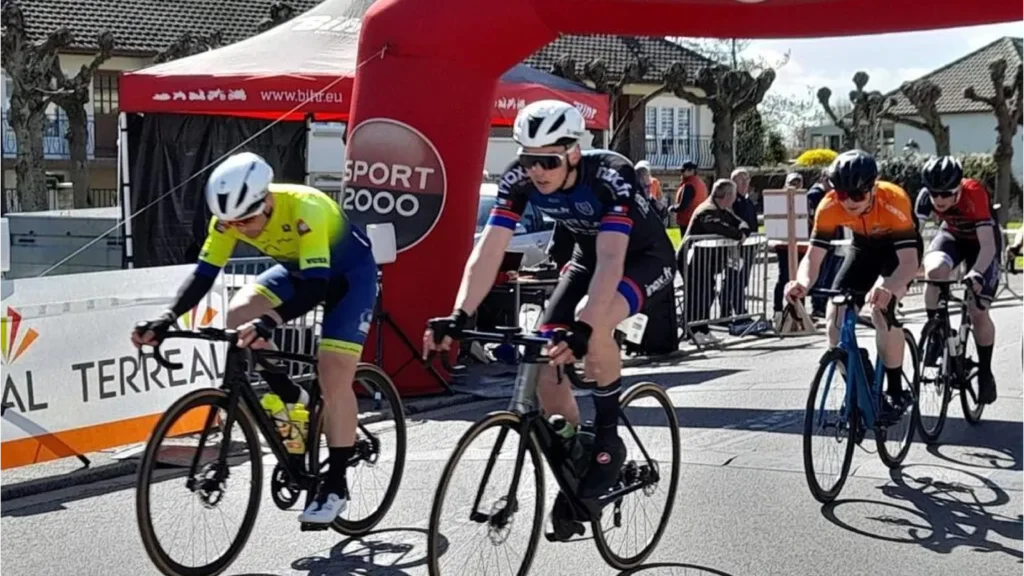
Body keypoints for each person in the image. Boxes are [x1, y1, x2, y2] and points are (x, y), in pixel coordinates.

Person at [422, 99, 675, 502]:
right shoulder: (519, 180)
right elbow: (488, 251)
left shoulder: (611, 176)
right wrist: (459, 313)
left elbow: (612, 259)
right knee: (542, 358)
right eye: (528, 159)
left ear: (574, 152)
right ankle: (576, 450)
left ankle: (609, 439)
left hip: (642, 259)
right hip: (586, 259)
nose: (537, 171)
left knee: (592, 319)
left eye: (549, 162)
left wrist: (587, 327)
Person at [131, 152, 377, 524]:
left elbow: (316, 287)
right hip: (298, 271)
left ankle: (336, 485)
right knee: (236, 314)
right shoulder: (230, 220)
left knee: (333, 375)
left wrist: (270, 321)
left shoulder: (303, 209)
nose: (242, 229)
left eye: (247, 219)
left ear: (267, 200)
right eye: (233, 223)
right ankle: (293, 398)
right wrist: (168, 318)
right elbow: (203, 275)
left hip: (347, 278)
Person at [785, 150, 921, 419]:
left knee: (882, 311)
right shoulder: (829, 205)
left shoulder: (893, 199)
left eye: (857, 195)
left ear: (873, 187)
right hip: (863, 250)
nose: (848, 202)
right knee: (834, 320)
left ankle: (895, 388)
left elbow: (909, 263)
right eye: (842, 194)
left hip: (899, 252)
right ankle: (861, 388)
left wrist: (889, 287)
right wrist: (801, 283)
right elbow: (813, 257)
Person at [915, 156, 999, 404]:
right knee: (935, 273)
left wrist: (976, 273)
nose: (939, 200)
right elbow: (913, 239)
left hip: (981, 245)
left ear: (959, 188)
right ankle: (936, 332)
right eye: (934, 194)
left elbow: (987, 246)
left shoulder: (975, 193)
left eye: (946, 194)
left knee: (977, 310)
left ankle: (985, 372)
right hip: (951, 237)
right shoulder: (925, 198)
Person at [670, 160, 707, 231]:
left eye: (683, 171)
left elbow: (683, 206)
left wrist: (673, 208)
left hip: (688, 221)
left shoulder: (689, 185)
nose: (681, 173)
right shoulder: (701, 183)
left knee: (687, 241)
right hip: (699, 220)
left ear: (691, 171)